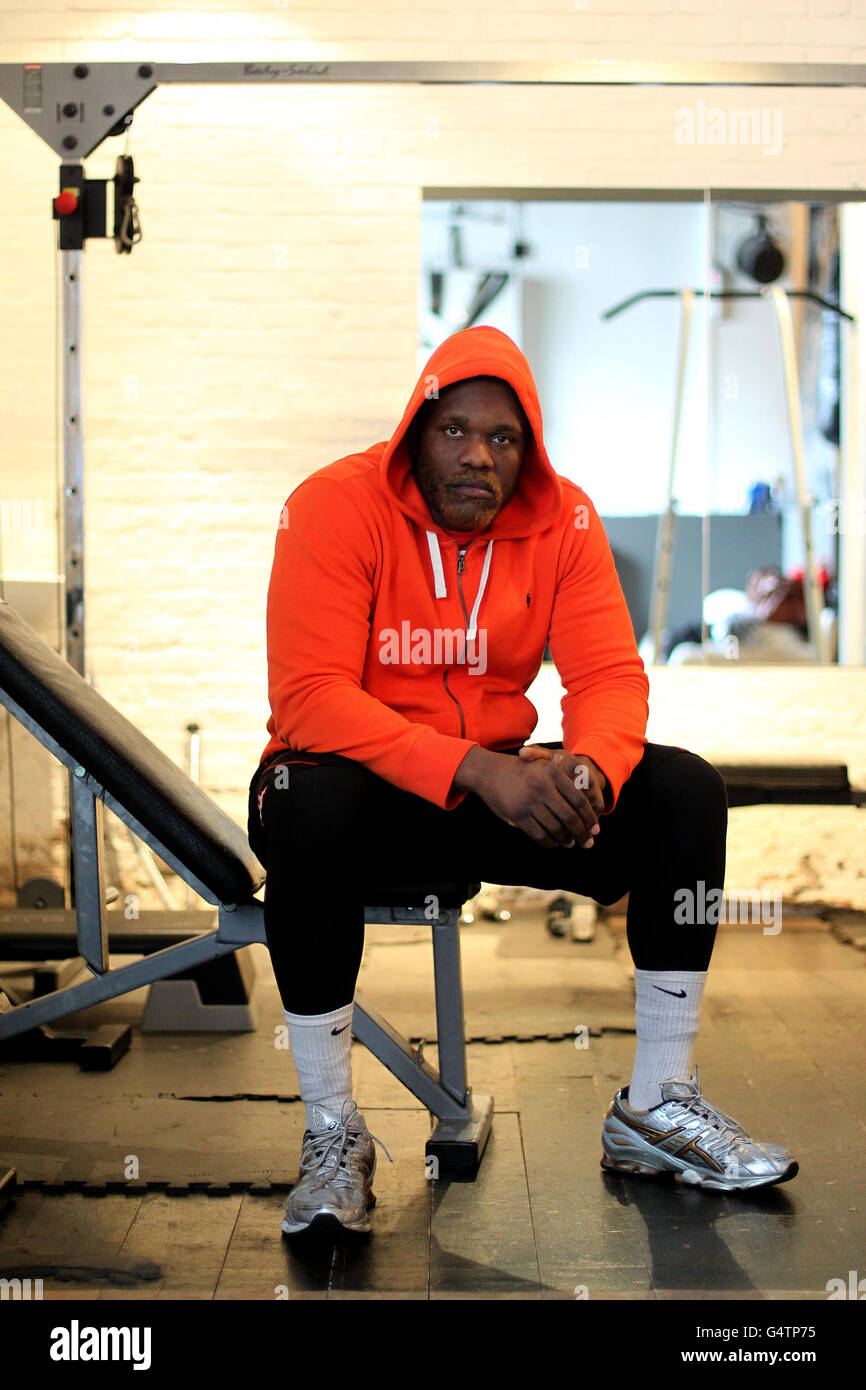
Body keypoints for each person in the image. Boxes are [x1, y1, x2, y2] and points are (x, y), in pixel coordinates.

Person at [248, 325, 797, 1238]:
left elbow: (611, 679)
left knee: (685, 792)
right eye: (456, 430)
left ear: (527, 451)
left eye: (503, 439)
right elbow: (309, 696)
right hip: (358, 793)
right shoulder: (333, 506)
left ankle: (656, 1105)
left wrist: (589, 769)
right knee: (311, 801)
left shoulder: (564, 522)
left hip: (492, 788)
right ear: (415, 433)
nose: (478, 455)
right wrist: (476, 771)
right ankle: (334, 1134)